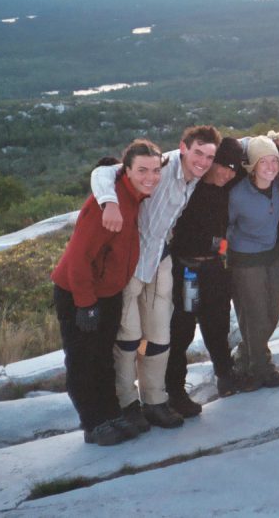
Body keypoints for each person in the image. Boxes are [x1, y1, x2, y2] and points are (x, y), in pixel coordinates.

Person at [91, 125, 220, 429]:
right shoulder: (164, 163)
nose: (202, 160)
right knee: (128, 340)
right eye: (197, 152)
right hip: (131, 262)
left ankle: (155, 400)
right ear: (183, 148)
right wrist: (108, 202)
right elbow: (104, 173)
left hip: (159, 259)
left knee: (159, 338)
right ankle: (127, 404)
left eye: (208, 155)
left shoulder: (194, 177)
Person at [51, 139, 162, 445]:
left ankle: (110, 414)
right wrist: (85, 304)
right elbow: (78, 258)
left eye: (155, 170)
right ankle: (92, 423)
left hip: (109, 293)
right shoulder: (106, 203)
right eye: (142, 170)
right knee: (83, 359)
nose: (150, 176)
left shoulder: (135, 198)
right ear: (125, 170)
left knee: (103, 358)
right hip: (78, 293)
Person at [164, 137, 244, 417]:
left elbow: (252, 150)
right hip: (186, 269)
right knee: (182, 331)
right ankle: (174, 391)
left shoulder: (229, 181)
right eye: (222, 166)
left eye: (233, 169)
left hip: (214, 267)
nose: (227, 173)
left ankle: (225, 375)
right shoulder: (189, 184)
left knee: (218, 324)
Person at [227, 136, 279, 391]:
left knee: (272, 313)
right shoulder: (237, 194)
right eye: (264, 161)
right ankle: (261, 370)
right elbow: (225, 226)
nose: (271, 166)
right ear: (252, 165)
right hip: (245, 261)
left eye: (274, 160)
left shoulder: (278, 186)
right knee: (254, 317)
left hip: (272, 257)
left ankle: (244, 354)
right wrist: (224, 253)